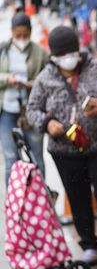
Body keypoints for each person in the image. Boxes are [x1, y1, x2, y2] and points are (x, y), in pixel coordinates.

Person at [26, 25, 97, 266]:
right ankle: (89, 245)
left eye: (72, 53)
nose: (68, 59)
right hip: (65, 151)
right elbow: (32, 109)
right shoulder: (45, 78)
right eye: (62, 55)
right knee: (78, 197)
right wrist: (47, 123)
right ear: (53, 56)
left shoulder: (95, 67)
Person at [0, 12, 48, 185]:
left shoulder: (40, 53)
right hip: (6, 111)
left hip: (31, 111)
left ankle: (41, 201)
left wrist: (32, 84)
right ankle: (15, 205)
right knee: (11, 159)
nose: (21, 38)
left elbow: (49, 79)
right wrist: (7, 79)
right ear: (12, 32)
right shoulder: (3, 51)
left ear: (31, 32)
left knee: (37, 158)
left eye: (25, 35)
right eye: (18, 35)